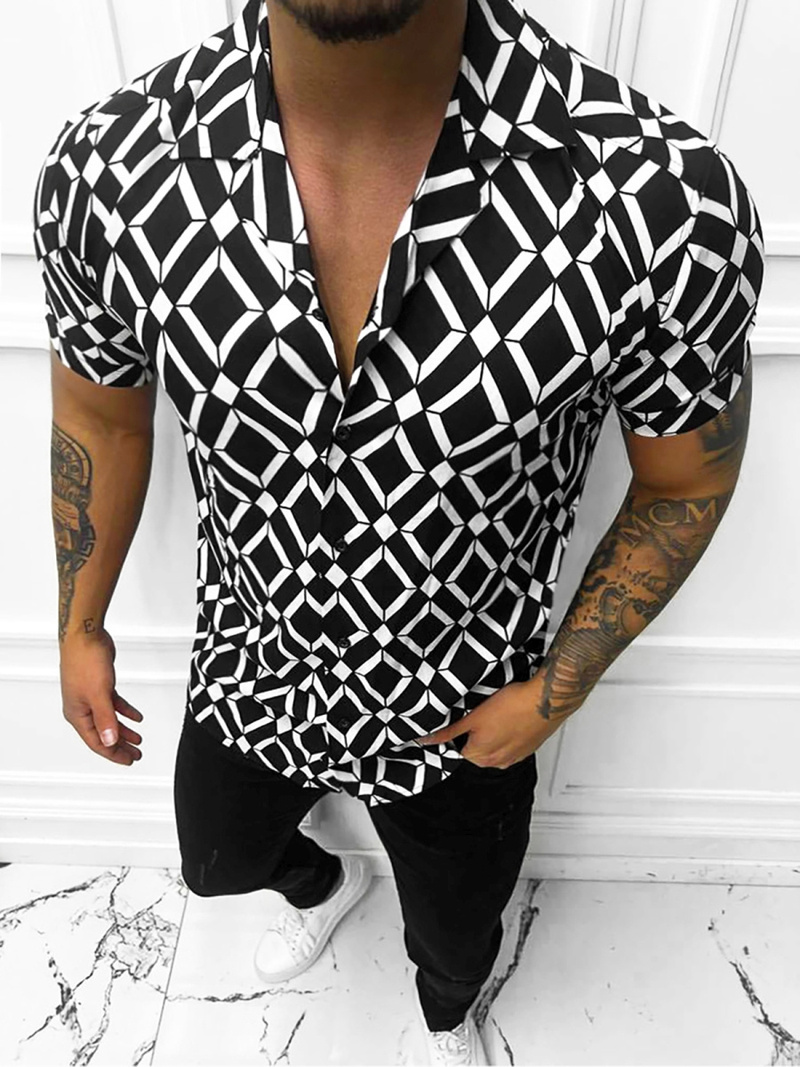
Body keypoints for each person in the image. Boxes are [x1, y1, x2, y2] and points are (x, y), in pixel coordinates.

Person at [35, 0, 764, 1062]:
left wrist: (554, 690)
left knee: (457, 935)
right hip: (251, 669)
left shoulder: (662, 201)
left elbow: (683, 482)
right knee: (216, 860)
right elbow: (99, 414)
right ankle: (319, 885)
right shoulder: (113, 170)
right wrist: (80, 622)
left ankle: (446, 1010)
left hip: (465, 704)